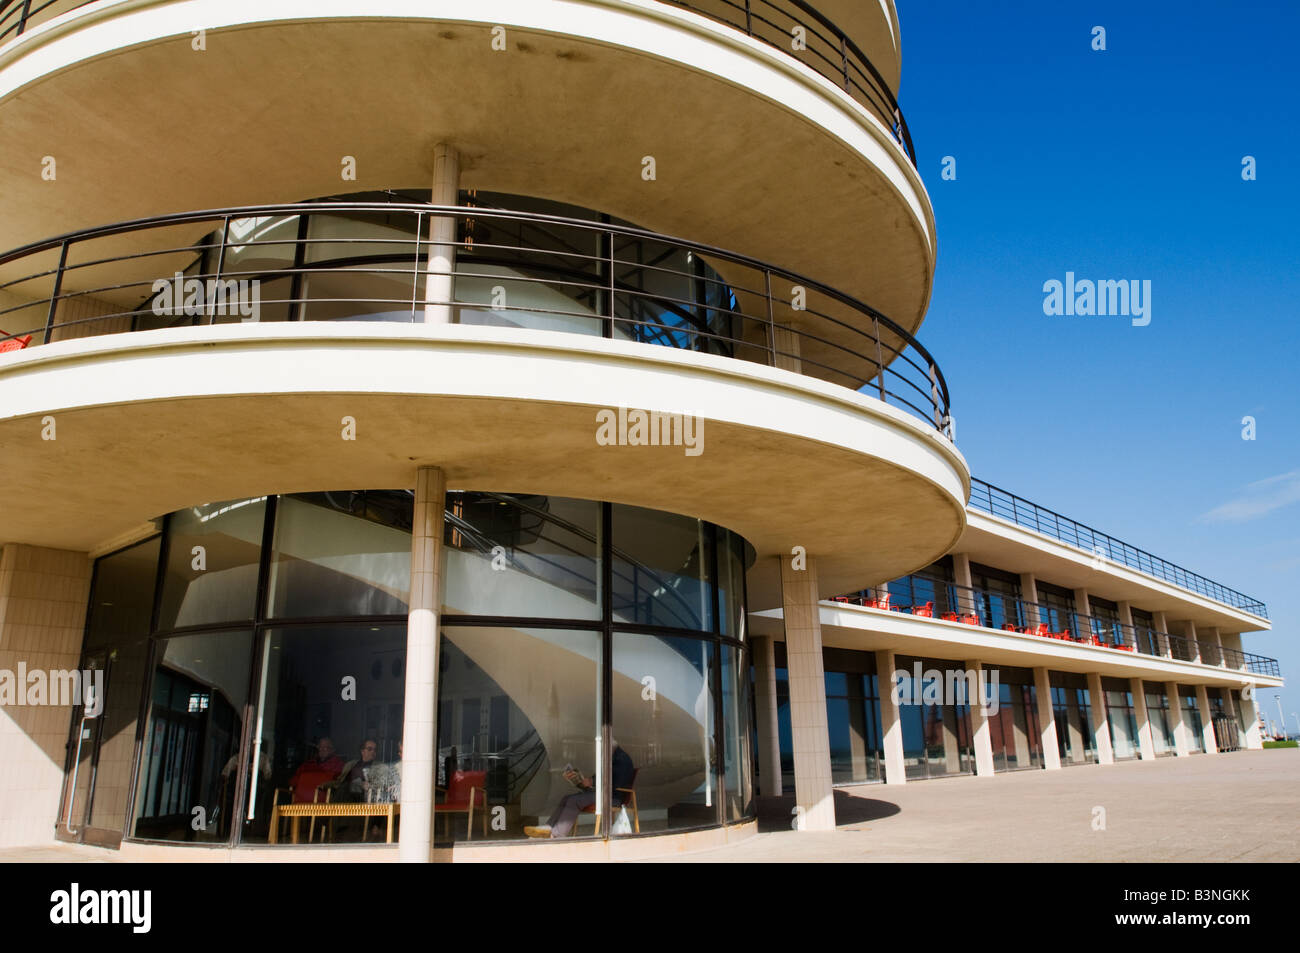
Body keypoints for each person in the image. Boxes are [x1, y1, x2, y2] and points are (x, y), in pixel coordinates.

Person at [524, 741, 634, 838]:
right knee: (567, 798)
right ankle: (548, 827)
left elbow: (616, 780)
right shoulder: (614, 757)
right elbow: (605, 776)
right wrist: (585, 782)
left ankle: (557, 834)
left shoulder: (622, 759)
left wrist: (592, 781)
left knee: (575, 800)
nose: (601, 753)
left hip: (613, 797)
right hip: (605, 793)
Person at [288, 736, 344, 803]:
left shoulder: (338, 764)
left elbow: (339, 783)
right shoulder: (307, 765)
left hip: (324, 804)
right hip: (301, 802)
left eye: (325, 747)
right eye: (320, 746)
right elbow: (293, 781)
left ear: (332, 749)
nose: (322, 749)